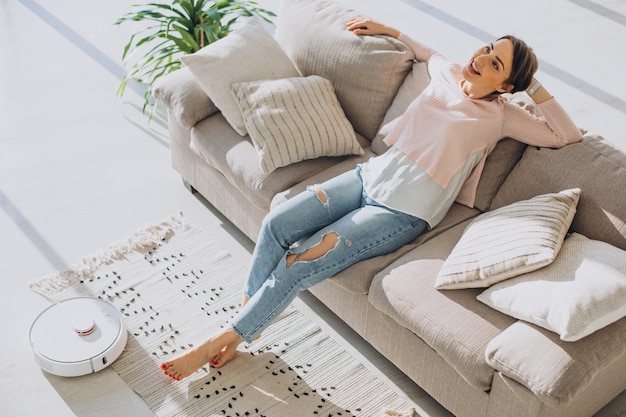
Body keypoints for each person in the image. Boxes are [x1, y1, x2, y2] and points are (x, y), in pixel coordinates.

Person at [161, 17, 582, 381]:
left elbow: (566, 135)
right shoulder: (449, 72)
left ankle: (221, 339)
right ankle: (242, 326)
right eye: (488, 48)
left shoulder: (504, 115)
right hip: (367, 177)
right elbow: (426, 51)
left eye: (496, 62)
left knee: (299, 260)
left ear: (506, 84)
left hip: (401, 211)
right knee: (276, 224)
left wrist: (534, 84)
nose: (481, 57)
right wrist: (389, 30)